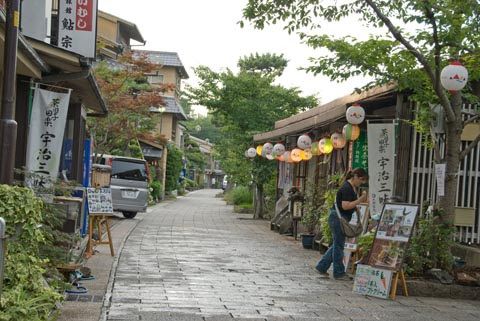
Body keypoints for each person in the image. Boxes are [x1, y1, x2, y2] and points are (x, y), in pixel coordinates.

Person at [315, 168, 369, 280]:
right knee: (339, 246)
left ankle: (322, 266)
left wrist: (356, 208)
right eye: (361, 179)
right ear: (355, 176)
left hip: (338, 217)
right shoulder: (347, 188)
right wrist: (360, 200)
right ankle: (338, 272)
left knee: (337, 244)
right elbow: (345, 206)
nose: (361, 182)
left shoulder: (351, 188)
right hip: (338, 218)